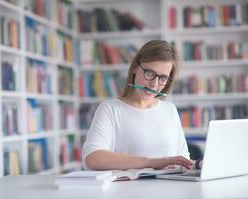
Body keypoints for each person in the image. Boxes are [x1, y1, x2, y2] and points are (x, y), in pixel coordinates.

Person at [82, 40, 202, 171]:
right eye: (150, 73)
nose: (154, 85)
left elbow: (182, 162)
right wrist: (151, 163)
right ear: (135, 68)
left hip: (169, 189)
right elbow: (92, 158)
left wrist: (199, 164)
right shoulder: (110, 108)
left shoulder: (170, 110)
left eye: (162, 78)